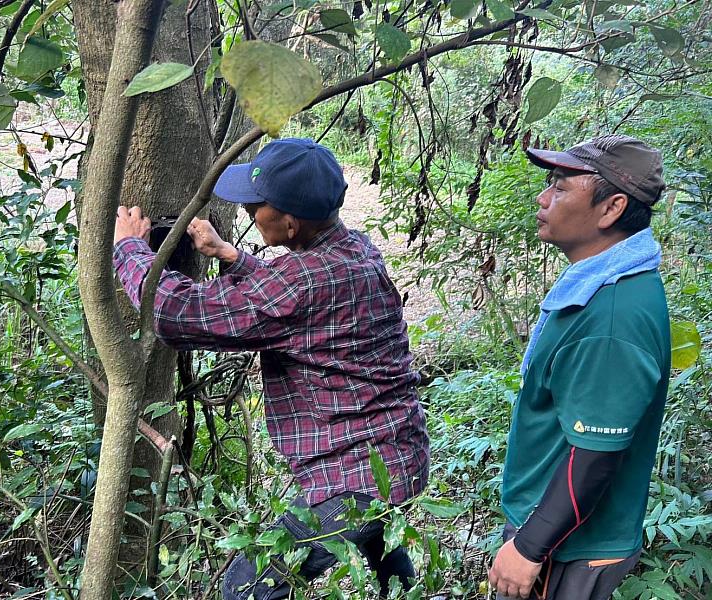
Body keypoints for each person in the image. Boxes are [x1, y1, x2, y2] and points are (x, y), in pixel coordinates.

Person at [113, 137, 430, 599]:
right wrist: (231, 257)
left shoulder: (301, 281)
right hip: (397, 457)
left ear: (289, 222)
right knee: (382, 552)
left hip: (355, 478)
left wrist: (129, 250)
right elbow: (302, 301)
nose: (248, 212)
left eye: (258, 205)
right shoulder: (354, 249)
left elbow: (177, 314)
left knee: (248, 585)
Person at [489, 134, 671, 600]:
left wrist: (528, 548)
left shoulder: (612, 318)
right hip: (554, 528)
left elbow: (596, 454)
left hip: (568, 545)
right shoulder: (598, 283)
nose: (543, 197)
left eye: (561, 186)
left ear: (611, 209)